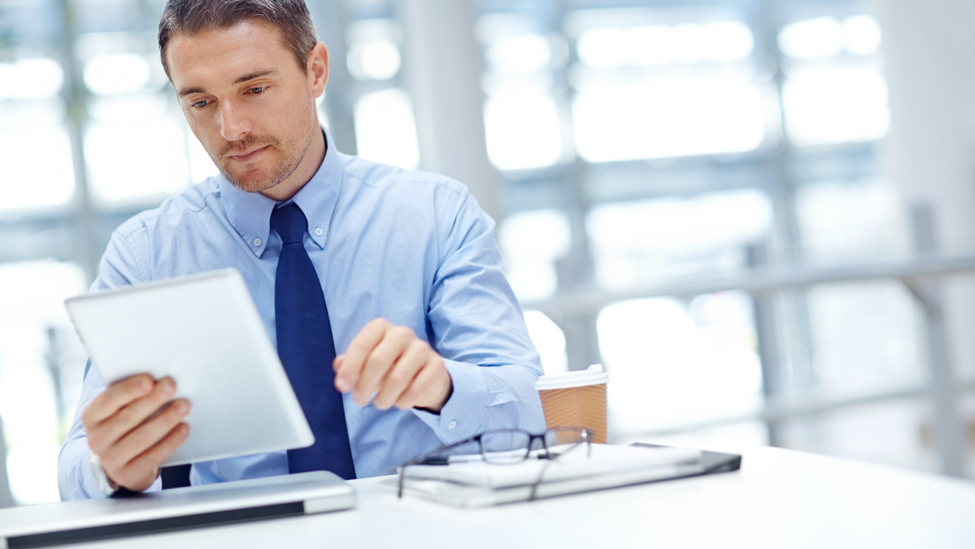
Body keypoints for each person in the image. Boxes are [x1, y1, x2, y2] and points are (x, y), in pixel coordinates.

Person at [57, 0, 545, 500]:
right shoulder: (147, 254)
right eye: (201, 102)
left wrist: (441, 385)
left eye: (255, 89)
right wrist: (110, 466)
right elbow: (76, 467)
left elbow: (528, 403)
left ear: (316, 71)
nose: (232, 128)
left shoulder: (435, 216)